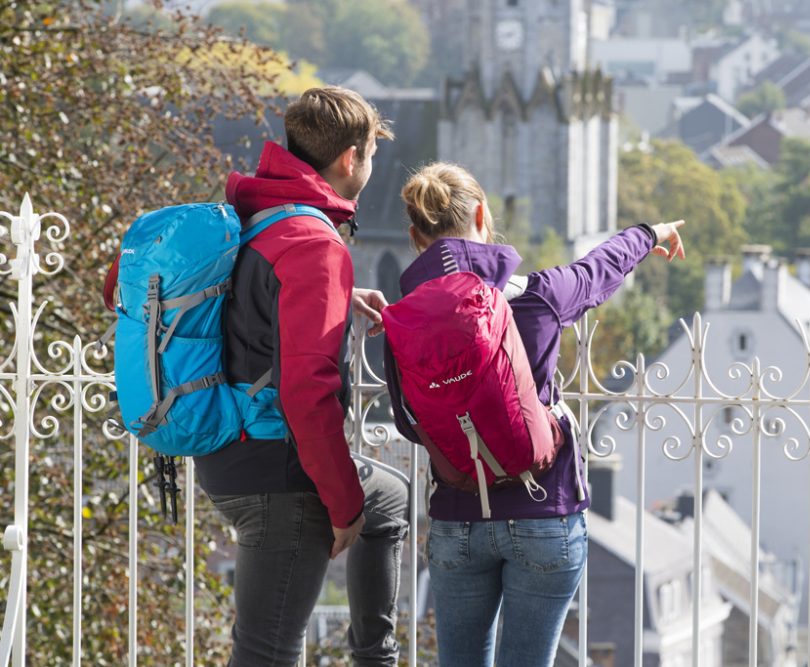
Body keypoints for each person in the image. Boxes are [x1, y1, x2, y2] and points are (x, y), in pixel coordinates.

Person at [384, 162, 686, 667]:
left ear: (416, 236)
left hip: (458, 518)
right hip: (544, 510)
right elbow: (597, 270)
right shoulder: (539, 297)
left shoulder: (404, 320)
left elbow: (407, 421)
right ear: (483, 215)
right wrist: (649, 234)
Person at [193, 87, 408, 667]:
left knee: (389, 497)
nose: (371, 166)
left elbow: (252, 307)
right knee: (267, 653)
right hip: (276, 472)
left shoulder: (260, 216)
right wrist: (342, 505)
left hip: (230, 449)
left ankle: (376, 656)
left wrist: (339, 299)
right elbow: (307, 392)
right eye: (371, 156)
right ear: (350, 158)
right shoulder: (314, 244)